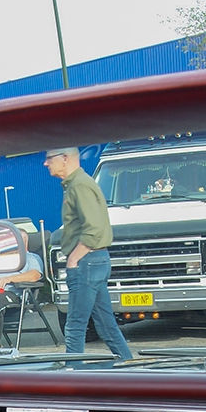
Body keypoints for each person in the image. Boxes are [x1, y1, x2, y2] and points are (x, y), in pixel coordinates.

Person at [44, 146, 133, 361]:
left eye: (49, 158)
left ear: (65, 159)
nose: (46, 163)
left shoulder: (79, 186)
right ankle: (130, 369)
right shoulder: (78, 184)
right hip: (96, 260)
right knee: (106, 324)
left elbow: (93, 228)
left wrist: (74, 258)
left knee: (75, 326)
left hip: (86, 261)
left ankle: (73, 379)